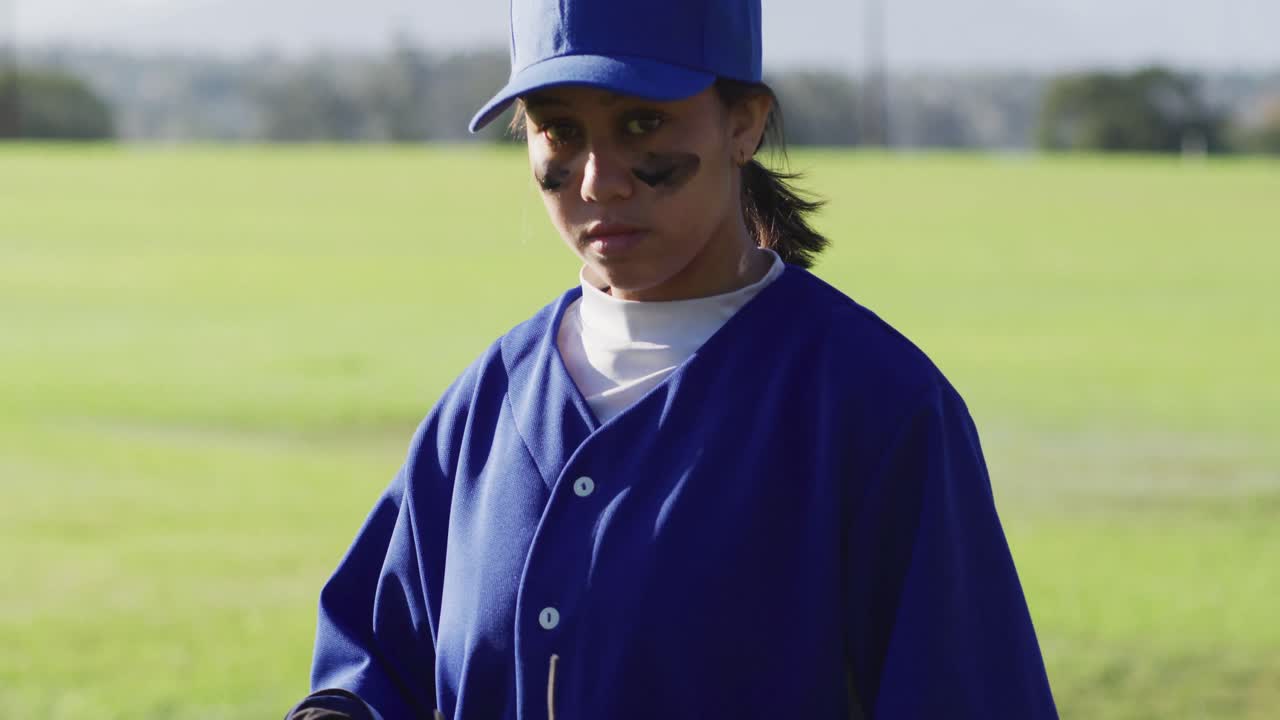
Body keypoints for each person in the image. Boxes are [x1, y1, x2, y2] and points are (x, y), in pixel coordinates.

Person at [285, 0, 1059, 718]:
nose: (599, 179)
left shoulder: (875, 409)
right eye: (560, 129)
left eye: (642, 122)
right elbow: (375, 668)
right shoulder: (487, 401)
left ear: (744, 124)